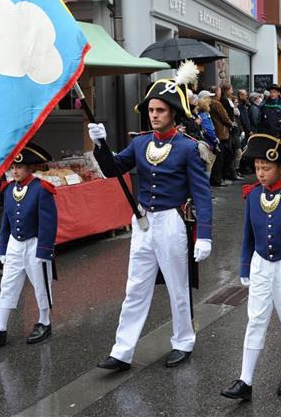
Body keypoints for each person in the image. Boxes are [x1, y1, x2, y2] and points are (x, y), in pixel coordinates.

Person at [89, 61, 213, 371]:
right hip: (143, 222)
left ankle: (183, 340)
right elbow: (112, 169)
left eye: (159, 110)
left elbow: (201, 193)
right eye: (151, 110)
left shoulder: (187, 147)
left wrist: (206, 234)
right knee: (135, 287)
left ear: (173, 112)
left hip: (172, 221)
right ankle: (122, 350)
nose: (153, 114)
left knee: (177, 285)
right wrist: (100, 145)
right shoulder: (140, 142)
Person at [220, 116, 281, 401]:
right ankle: (245, 379)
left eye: (266, 168)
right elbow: (248, 235)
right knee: (255, 319)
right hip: (261, 263)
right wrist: (244, 264)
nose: (260, 173)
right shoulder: (252, 196)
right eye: (257, 167)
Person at [0, 143, 57, 346]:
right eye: (12, 167)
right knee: (7, 285)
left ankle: (44, 322)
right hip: (14, 245)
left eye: (19, 167)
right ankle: (0, 328)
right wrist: (2, 248)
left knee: (41, 286)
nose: (15, 171)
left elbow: (48, 223)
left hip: (35, 244)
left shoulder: (41, 189)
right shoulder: (9, 189)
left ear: (30, 168)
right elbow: (6, 222)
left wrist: (44, 250)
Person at [209, 86, 234, 187]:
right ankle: (218, 179)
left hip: (216, 132)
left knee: (218, 157)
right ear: (216, 93)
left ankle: (217, 178)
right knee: (220, 157)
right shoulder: (217, 104)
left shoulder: (211, 103)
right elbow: (224, 117)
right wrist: (231, 124)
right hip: (221, 132)